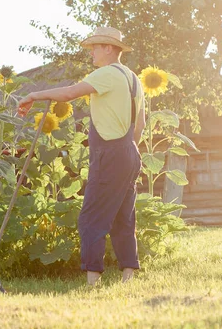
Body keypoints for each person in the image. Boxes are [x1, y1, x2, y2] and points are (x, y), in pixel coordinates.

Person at [17, 26, 145, 285]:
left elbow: (68, 93)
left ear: (109, 48)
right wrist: (128, 150)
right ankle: (128, 274)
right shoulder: (133, 78)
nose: (91, 54)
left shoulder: (106, 74)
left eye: (95, 48)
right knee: (123, 216)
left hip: (110, 154)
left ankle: (93, 278)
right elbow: (140, 123)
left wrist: (33, 95)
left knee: (91, 216)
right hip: (130, 152)